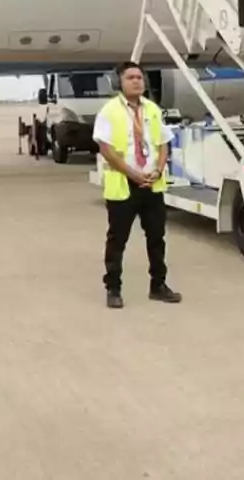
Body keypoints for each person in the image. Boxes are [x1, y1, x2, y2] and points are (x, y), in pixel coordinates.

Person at [92, 61, 183, 309]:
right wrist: (133, 173)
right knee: (117, 240)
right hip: (124, 186)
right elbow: (106, 149)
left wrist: (158, 169)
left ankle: (159, 285)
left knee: (157, 238)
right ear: (119, 83)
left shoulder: (152, 109)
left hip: (151, 186)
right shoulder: (109, 111)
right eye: (130, 77)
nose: (136, 81)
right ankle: (113, 288)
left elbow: (164, 143)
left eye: (139, 77)